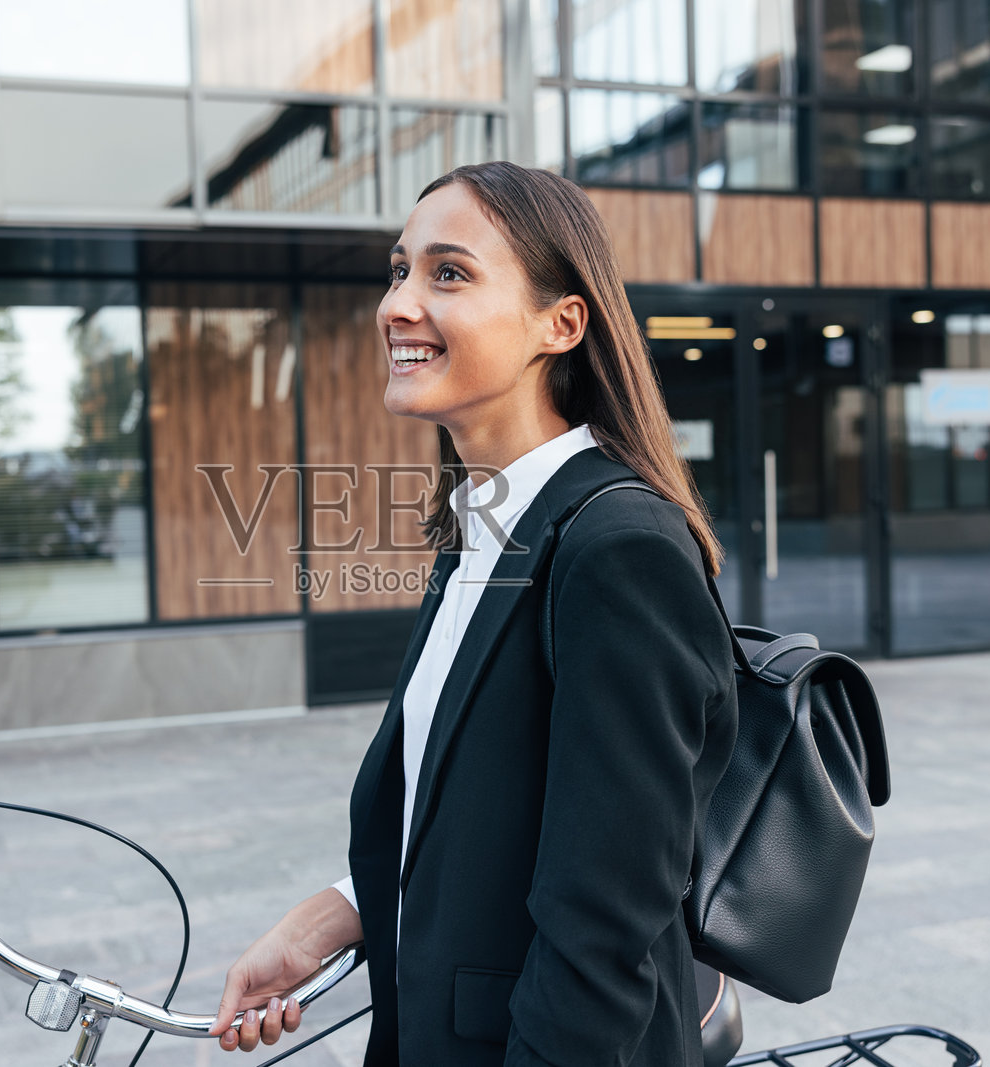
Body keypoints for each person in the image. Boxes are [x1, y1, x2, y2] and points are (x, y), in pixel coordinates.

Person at [209, 162, 739, 1065]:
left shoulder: (619, 547)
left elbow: (600, 927)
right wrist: (335, 915)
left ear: (561, 323)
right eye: (399, 270)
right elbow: (485, 816)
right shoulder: (481, 530)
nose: (398, 304)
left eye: (448, 273)